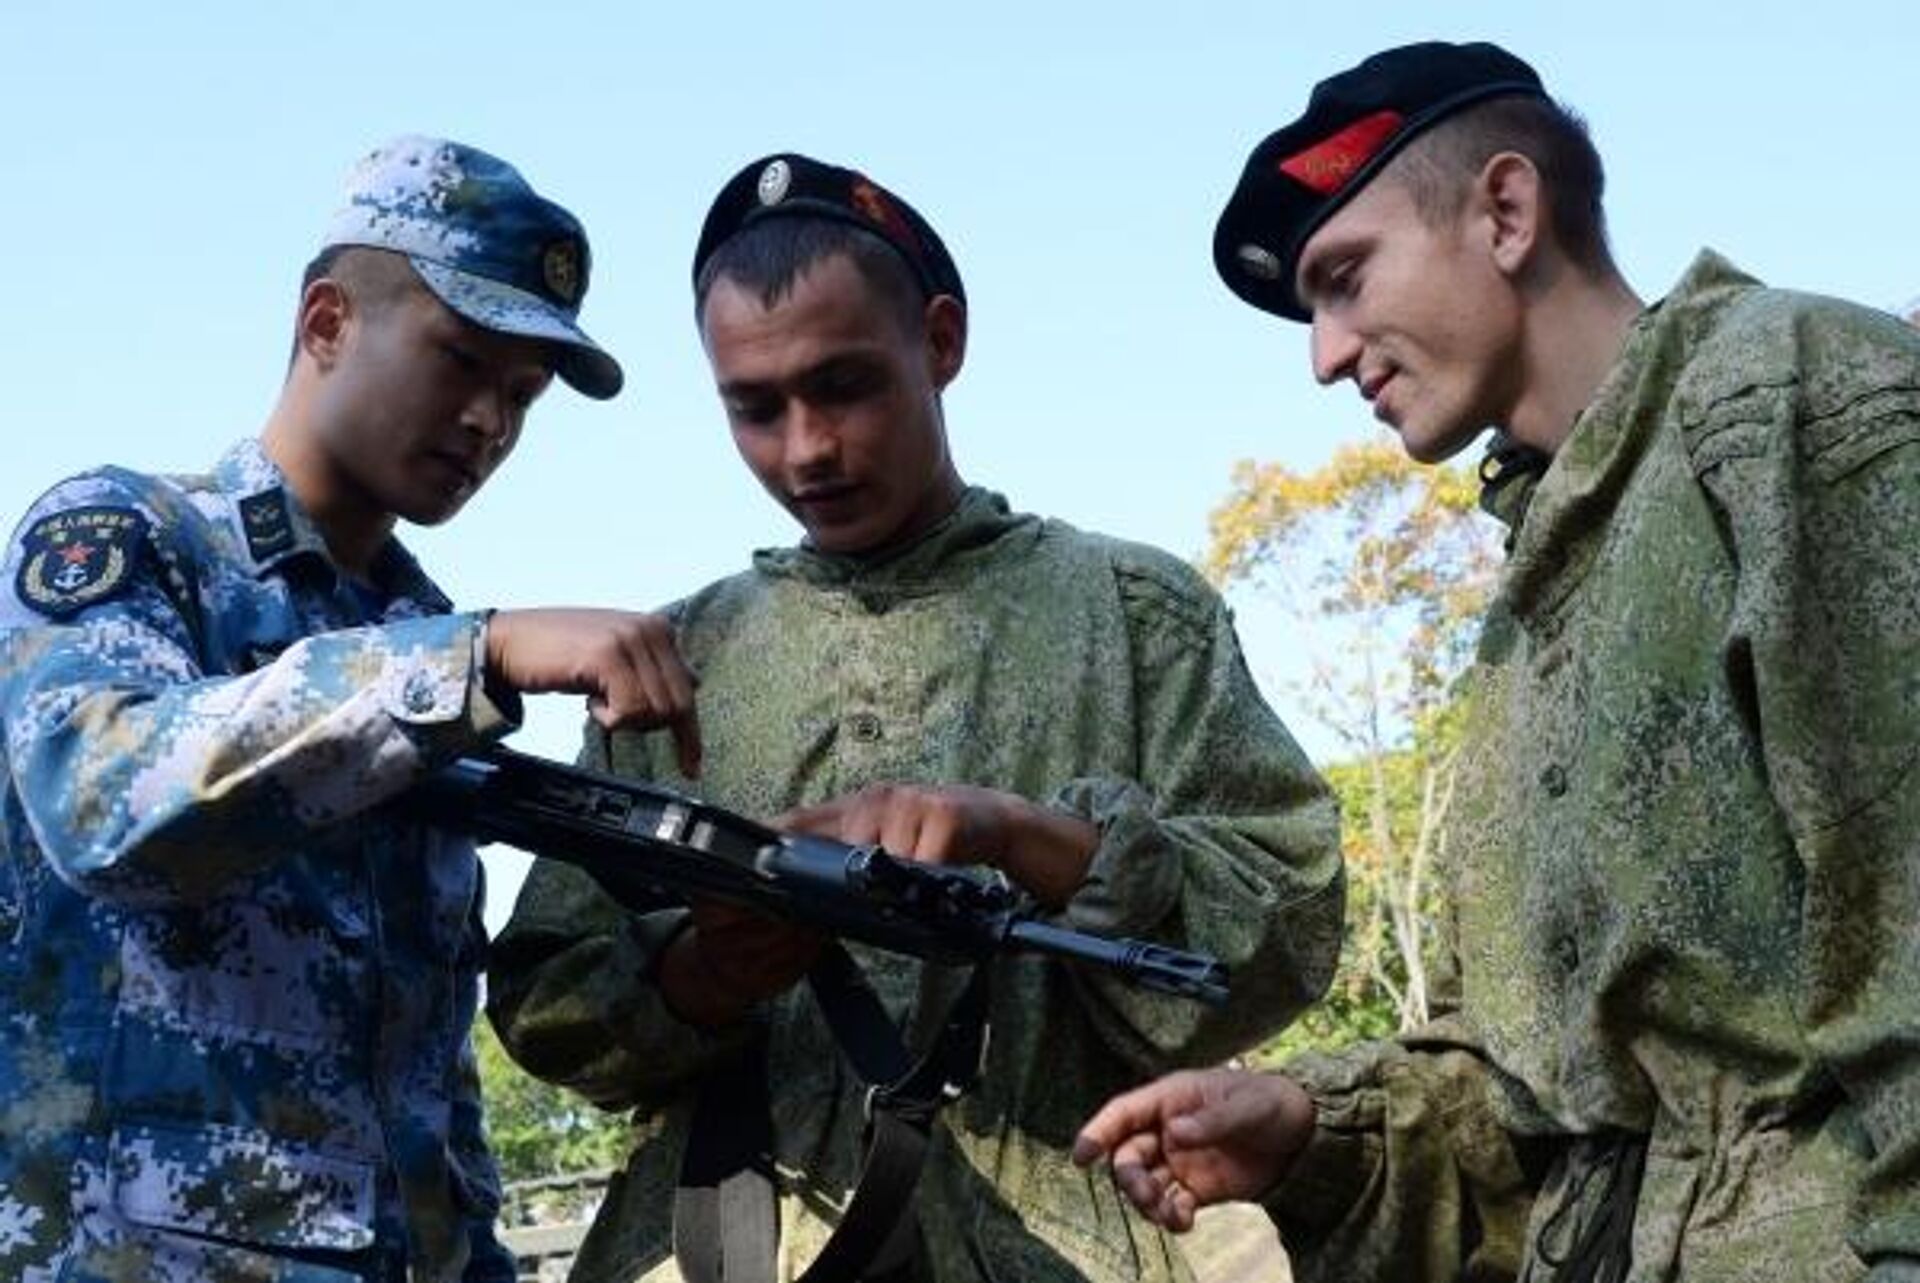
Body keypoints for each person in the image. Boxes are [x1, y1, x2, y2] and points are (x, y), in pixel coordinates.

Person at [1073, 39, 1920, 1283]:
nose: (1324, 352)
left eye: (1346, 280)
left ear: (1508, 212)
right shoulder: (1524, 612)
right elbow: (1546, 1114)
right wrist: (1307, 1128)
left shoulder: (1789, 396)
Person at [487, 153, 1346, 1283]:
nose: (807, 448)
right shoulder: (669, 663)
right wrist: (708, 969)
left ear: (940, 341)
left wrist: (1023, 835)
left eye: (844, 384)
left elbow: (1283, 925)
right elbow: (546, 997)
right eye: (754, 407)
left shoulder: (1136, 613)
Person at [0, 136, 700, 1283]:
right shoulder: (129, 539)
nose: (490, 421)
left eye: (521, 395)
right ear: (327, 321)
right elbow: (98, 802)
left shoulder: (420, 642)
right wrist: (473, 656)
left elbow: (423, 1062)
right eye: (460, 361)